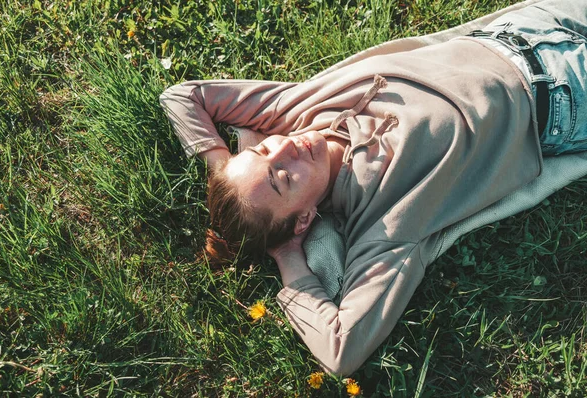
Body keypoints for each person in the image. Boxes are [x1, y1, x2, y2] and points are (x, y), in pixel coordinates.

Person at [160, 0, 587, 375]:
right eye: (282, 178)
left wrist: (222, 168)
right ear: (305, 218)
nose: (286, 147)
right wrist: (288, 257)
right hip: (565, 95)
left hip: (526, 28)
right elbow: (340, 350)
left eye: (264, 150)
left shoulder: (295, 111)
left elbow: (182, 96)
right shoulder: (384, 220)